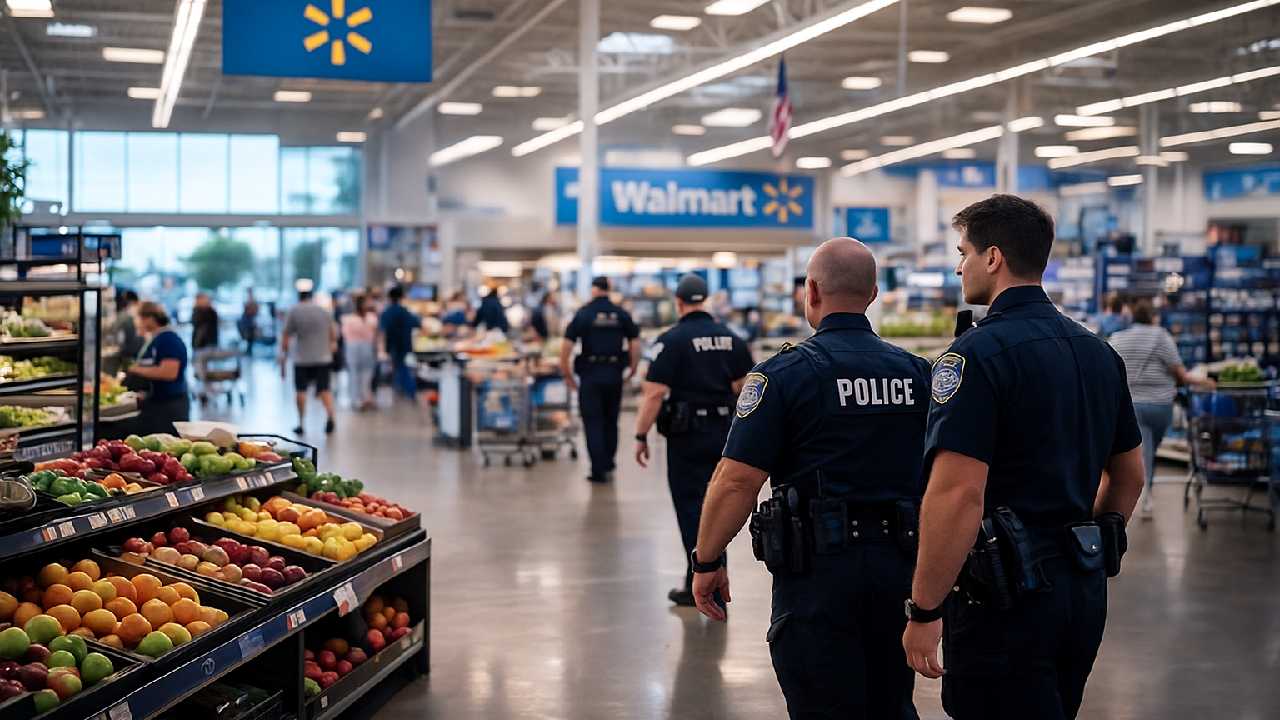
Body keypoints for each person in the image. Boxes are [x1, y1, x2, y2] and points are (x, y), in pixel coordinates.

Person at [901, 194, 1145, 720]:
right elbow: (1129, 474)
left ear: (993, 258)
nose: (957, 264)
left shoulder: (975, 357)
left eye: (963, 251)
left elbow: (957, 496)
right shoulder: (1099, 353)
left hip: (1003, 600)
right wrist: (1096, 537)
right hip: (1081, 593)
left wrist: (924, 608)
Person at [690, 238, 932, 719]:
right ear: (874, 293)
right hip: (900, 568)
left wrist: (706, 559)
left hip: (819, 575)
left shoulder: (783, 376)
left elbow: (736, 481)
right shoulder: (919, 374)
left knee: (822, 700)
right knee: (890, 698)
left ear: (812, 291)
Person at [634, 274, 754, 607]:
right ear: (705, 301)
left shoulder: (671, 340)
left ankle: (698, 581)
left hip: (687, 437)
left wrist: (640, 434)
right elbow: (745, 387)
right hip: (725, 433)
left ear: (679, 302)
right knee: (720, 504)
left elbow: (654, 393)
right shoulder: (731, 338)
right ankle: (716, 573)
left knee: (691, 508)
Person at [1109, 298, 1214, 518]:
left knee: (1140, 450)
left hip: (1129, 405)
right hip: (1159, 405)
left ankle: (1144, 493)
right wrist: (1204, 382)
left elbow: (1110, 372)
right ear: (1153, 317)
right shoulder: (1161, 337)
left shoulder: (1118, 339)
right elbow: (1181, 375)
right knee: (1150, 449)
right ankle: (1145, 496)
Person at [560, 277, 640, 483]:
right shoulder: (621, 313)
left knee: (593, 421)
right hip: (614, 373)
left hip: (590, 375)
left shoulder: (584, 314)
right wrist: (632, 368)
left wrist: (567, 374)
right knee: (611, 421)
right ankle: (608, 462)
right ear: (609, 289)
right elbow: (634, 343)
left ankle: (598, 469)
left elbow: (566, 347)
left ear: (593, 289)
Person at [126, 302, 190, 436]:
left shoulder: (168, 339)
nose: (137, 323)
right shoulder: (155, 338)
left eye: (138, 318)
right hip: (156, 405)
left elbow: (169, 372)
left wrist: (135, 369)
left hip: (169, 408)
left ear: (149, 318)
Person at [280, 288, 338, 435]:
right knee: (324, 389)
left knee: (301, 390)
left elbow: (286, 335)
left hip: (302, 358)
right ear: (311, 297)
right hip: (323, 357)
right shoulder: (324, 311)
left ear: (299, 297)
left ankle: (301, 423)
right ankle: (330, 417)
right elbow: (333, 335)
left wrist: (284, 356)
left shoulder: (294, 311)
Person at [379, 285, 422, 400]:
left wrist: (382, 348)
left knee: (400, 367)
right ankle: (403, 389)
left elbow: (382, 330)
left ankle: (409, 390)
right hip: (405, 344)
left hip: (393, 345)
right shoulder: (405, 311)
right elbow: (417, 323)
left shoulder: (386, 312)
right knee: (401, 367)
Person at [341, 293, 380, 411]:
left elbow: (344, 334)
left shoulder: (348, 319)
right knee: (365, 374)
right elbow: (376, 335)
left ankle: (358, 399)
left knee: (356, 374)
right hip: (365, 347)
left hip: (353, 347)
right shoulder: (371, 318)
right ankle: (364, 398)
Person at [108, 290, 142, 374]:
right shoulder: (134, 314)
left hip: (128, 355)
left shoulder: (124, 316)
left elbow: (114, 333)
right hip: (135, 355)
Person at [239, 289, 259, 355]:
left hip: (249, 325)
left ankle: (249, 351)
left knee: (251, 336)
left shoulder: (253, 300)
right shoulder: (247, 300)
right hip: (247, 328)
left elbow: (256, 310)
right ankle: (248, 351)